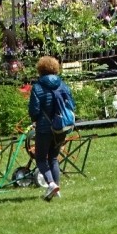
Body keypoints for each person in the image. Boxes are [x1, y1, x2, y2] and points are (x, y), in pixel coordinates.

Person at [28, 56, 75, 202]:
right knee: (54, 158)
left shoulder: (37, 87)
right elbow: (71, 104)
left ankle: (51, 184)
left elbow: (34, 110)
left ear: (40, 69)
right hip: (61, 127)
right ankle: (56, 189)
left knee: (41, 158)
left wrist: (35, 120)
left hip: (44, 128)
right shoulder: (63, 85)